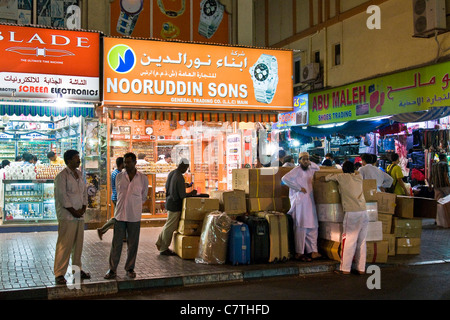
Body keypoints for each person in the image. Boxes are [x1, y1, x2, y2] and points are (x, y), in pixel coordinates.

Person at [104, 153, 148, 279]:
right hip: (120, 215)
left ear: (135, 163)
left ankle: (130, 268)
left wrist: (133, 204)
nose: (126, 165)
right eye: (124, 162)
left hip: (134, 216)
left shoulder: (142, 178)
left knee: (132, 244)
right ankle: (112, 269)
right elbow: (117, 194)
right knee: (116, 244)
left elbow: (143, 196)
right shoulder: (119, 176)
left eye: (128, 162)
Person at [321, 161, 368, 275]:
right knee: (362, 241)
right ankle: (361, 268)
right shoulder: (359, 177)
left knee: (349, 240)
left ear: (343, 169)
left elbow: (326, 178)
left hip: (351, 213)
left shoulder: (341, 177)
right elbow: (355, 172)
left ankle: (345, 269)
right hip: (363, 211)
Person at [53, 150, 90, 285]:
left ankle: (77, 270)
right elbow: (62, 197)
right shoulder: (62, 177)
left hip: (79, 216)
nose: (78, 160)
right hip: (68, 216)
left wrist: (83, 208)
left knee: (78, 245)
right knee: (65, 245)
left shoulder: (79, 175)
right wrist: (74, 211)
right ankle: (59, 273)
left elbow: (84, 193)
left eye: (78, 158)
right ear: (68, 160)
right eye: (76, 158)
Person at [281, 152, 321, 262]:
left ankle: (313, 251)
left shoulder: (310, 169)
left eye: (307, 159)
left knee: (313, 226)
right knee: (301, 227)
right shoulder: (296, 170)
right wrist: (298, 188)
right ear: (299, 160)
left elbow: (317, 168)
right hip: (300, 202)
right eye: (303, 159)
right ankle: (299, 252)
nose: (306, 161)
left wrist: (309, 162)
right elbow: (284, 179)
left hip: (310, 201)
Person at [156, 158, 197, 256]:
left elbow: (168, 186)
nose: (186, 170)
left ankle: (160, 243)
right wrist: (191, 193)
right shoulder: (179, 177)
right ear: (184, 166)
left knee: (168, 225)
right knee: (170, 227)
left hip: (169, 202)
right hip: (175, 204)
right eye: (186, 168)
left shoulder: (172, 173)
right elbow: (182, 195)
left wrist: (183, 186)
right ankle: (164, 248)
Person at [97, 157, 124, 240]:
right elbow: (119, 187)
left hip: (116, 197)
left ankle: (123, 236)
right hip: (117, 197)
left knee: (120, 217)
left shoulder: (116, 172)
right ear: (121, 164)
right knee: (118, 217)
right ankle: (102, 229)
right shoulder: (118, 174)